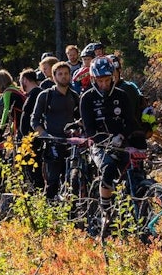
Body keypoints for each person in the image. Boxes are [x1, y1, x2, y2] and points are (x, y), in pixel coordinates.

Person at [79, 56, 139, 232]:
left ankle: (137, 206)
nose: (104, 84)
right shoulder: (87, 98)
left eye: (107, 80)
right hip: (99, 145)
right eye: (100, 81)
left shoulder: (122, 95)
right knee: (108, 167)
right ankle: (106, 211)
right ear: (93, 80)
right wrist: (103, 141)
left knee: (135, 167)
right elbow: (89, 128)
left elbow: (130, 121)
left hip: (120, 141)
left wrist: (122, 135)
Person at [31, 61, 80, 202]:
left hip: (72, 144)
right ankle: (48, 210)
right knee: (53, 181)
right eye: (60, 74)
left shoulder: (75, 96)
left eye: (66, 74)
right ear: (54, 76)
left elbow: (81, 118)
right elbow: (34, 120)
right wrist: (44, 135)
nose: (64, 77)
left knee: (72, 180)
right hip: (53, 144)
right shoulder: (45, 96)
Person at [0, 69, 26, 141]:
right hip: (24, 122)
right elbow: (16, 113)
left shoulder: (8, 92)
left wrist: (0, 131)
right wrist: (11, 131)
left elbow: (6, 111)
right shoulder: (17, 89)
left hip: (22, 126)